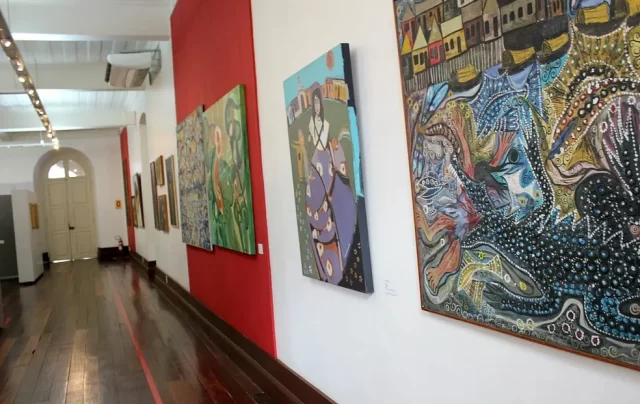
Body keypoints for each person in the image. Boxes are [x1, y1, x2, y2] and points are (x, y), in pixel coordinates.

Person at [304, 88, 356, 284]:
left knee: (333, 206)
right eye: (314, 103)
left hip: (325, 164)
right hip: (316, 165)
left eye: (319, 103)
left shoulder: (325, 125)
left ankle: (337, 260)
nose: (317, 106)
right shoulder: (312, 124)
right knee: (315, 211)